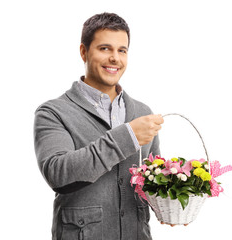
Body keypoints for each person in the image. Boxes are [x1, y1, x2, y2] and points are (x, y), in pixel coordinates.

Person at [34, 12, 164, 240]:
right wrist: (128, 136)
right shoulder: (53, 112)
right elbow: (58, 173)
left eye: (121, 50)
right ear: (84, 52)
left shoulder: (143, 112)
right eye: (105, 48)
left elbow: (152, 178)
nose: (115, 58)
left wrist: (170, 201)